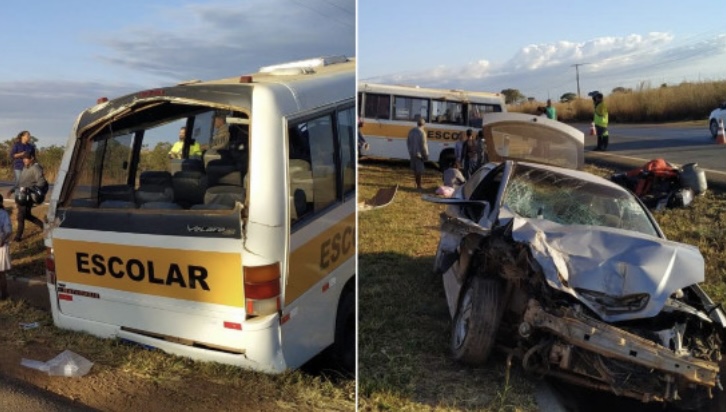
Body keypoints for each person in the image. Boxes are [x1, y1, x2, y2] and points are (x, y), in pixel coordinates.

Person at [13, 153, 47, 242]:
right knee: (27, 215)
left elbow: (41, 182)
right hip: (22, 195)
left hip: (28, 196)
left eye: (26, 158)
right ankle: (43, 226)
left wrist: (30, 189)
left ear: (32, 158)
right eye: (23, 158)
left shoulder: (36, 168)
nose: (24, 160)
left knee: (21, 216)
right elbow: (21, 181)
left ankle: (18, 237)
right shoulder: (25, 167)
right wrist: (13, 190)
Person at [8, 131, 36, 197]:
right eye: (27, 135)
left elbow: (34, 157)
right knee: (19, 182)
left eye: (29, 135)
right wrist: (22, 154)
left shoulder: (31, 146)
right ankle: (17, 199)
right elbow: (12, 155)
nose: (29, 137)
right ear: (22, 136)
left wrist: (30, 161)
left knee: (26, 183)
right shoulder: (17, 145)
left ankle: (24, 198)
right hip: (18, 166)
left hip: (28, 167)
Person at [406, 116, 429, 190]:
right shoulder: (422, 133)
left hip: (412, 153)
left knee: (415, 170)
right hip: (419, 155)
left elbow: (408, 142)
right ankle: (419, 186)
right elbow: (423, 145)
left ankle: (416, 184)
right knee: (419, 170)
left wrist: (410, 150)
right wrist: (426, 155)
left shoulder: (411, 131)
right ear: (423, 125)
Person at [0, 194, 11, 300]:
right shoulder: (4, 214)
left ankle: (4, 294)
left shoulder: (3, 214)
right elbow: (8, 231)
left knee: (1, 273)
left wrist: (2, 241)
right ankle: (4, 294)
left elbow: (8, 232)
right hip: (2, 246)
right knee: (1, 273)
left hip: (1, 247)